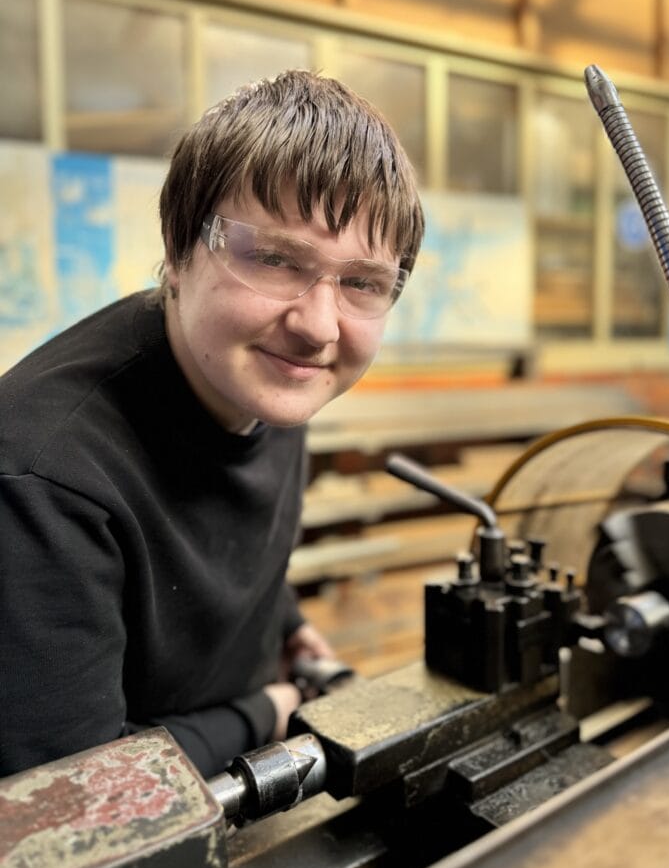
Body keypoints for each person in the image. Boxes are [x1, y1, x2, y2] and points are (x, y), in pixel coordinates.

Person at [0, 71, 424, 779]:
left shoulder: (265, 376)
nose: (319, 327)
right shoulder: (42, 480)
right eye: (274, 259)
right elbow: (69, 794)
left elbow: (229, 543)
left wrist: (286, 627)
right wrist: (268, 710)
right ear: (178, 247)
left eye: (361, 283)